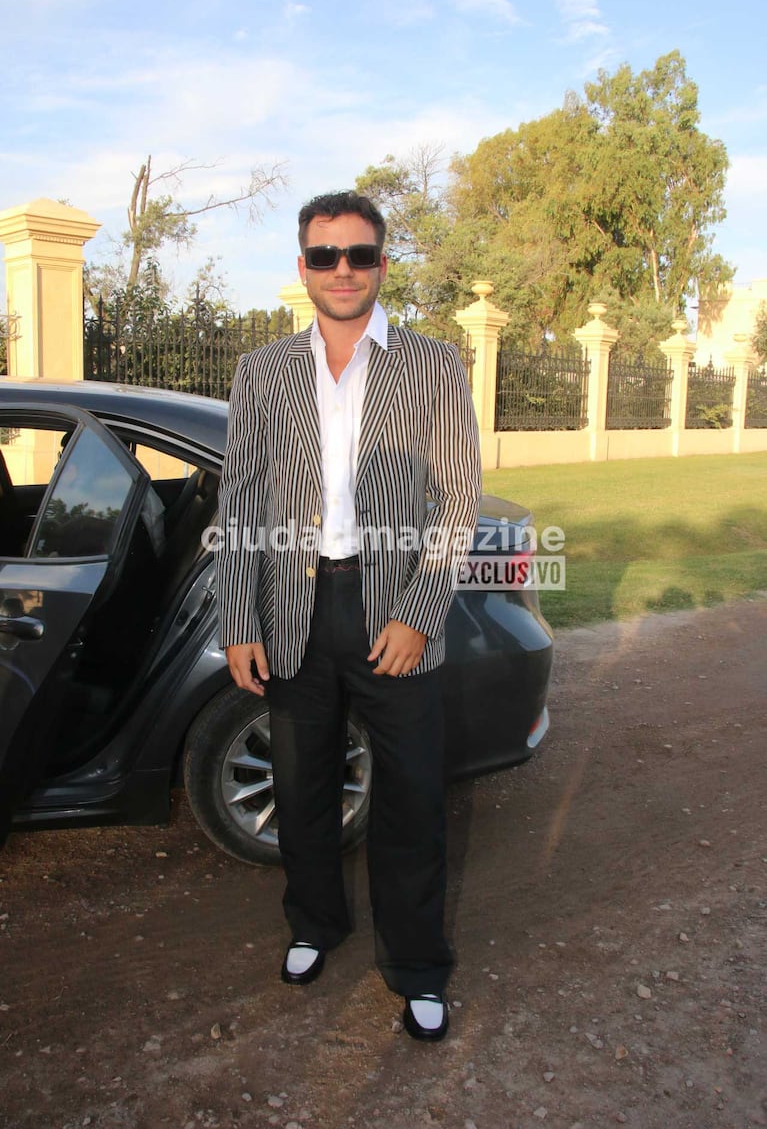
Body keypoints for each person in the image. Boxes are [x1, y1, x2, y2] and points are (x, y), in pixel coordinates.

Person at [216, 190, 482, 1041]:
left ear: (381, 265)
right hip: (292, 606)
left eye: (357, 254)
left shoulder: (435, 364)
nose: (341, 269)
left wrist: (418, 609)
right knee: (301, 787)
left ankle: (415, 964)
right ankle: (314, 922)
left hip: (392, 609)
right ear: (302, 267)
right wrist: (238, 617)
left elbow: (455, 498)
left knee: (409, 799)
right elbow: (243, 497)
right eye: (324, 255)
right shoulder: (262, 371)